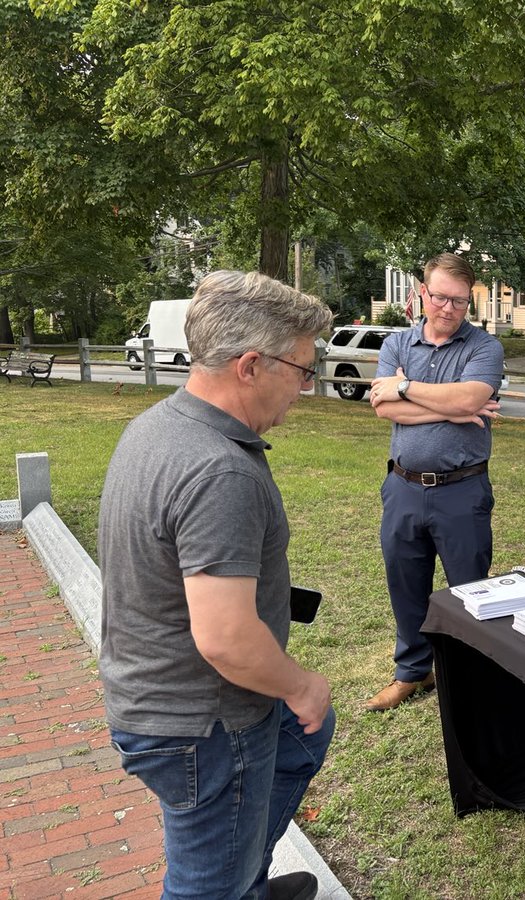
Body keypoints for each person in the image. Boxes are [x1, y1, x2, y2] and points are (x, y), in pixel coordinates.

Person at [98, 271, 336, 900]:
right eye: (303, 370)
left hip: (162, 697)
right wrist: (301, 685)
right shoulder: (218, 470)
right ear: (251, 366)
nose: (306, 388)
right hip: (205, 723)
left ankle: (243, 876)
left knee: (306, 735)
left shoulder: (161, 425)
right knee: (204, 886)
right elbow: (227, 639)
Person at [365, 253, 504, 711]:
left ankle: (467, 676)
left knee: (469, 591)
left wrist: (406, 388)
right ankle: (413, 672)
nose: (449, 308)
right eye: (441, 297)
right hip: (403, 487)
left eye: (460, 301)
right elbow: (383, 408)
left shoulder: (484, 347)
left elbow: (470, 397)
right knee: (405, 585)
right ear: (422, 292)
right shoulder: (397, 344)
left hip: (462, 489)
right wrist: (454, 410)